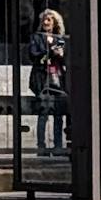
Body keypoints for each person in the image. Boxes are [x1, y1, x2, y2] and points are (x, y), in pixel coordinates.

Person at [29, 9, 68, 156]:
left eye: (49, 20)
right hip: (42, 79)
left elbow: (65, 59)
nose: (46, 22)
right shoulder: (37, 38)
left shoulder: (60, 39)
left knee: (58, 114)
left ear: (55, 23)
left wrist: (62, 55)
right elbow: (34, 55)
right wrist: (51, 52)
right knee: (43, 112)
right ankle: (41, 147)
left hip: (57, 79)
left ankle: (58, 146)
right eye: (44, 20)